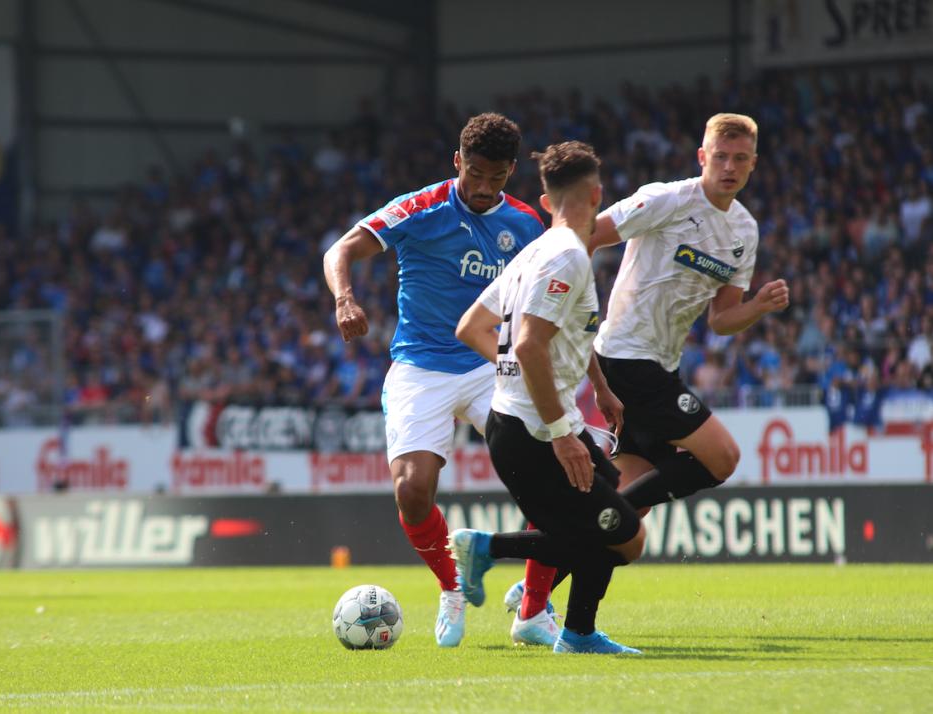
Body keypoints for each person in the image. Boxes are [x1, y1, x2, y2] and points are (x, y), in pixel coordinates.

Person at [323, 113, 550, 648]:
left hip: (489, 362)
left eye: (496, 178)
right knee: (412, 491)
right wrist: (345, 297)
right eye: (475, 173)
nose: (483, 187)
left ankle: (534, 610)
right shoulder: (420, 208)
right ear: (457, 162)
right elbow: (342, 250)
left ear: (511, 173)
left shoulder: (525, 226)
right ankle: (452, 589)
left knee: (549, 484)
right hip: (421, 364)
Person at [451, 141, 646, 654]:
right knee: (621, 536)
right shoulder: (566, 255)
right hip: (534, 433)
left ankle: (578, 631)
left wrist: (596, 387)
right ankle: (484, 550)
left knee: (618, 516)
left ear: (544, 200)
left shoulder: (533, 252)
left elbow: (472, 327)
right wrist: (563, 433)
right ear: (597, 195)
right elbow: (530, 342)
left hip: (517, 421)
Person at [589, 112, 789, 512]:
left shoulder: (744, 231)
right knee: (723, 457)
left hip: (661, 366)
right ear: (702, 157)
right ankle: (608, 518)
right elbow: (587, 235)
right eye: (720, 156)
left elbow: (721, 319)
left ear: (754, 163)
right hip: (627, 357)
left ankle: (522, 559)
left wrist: (758, 307)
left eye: (740, 158)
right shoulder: (667, 200)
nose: (729, 167)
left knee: (623, 525)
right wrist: (576, 312)